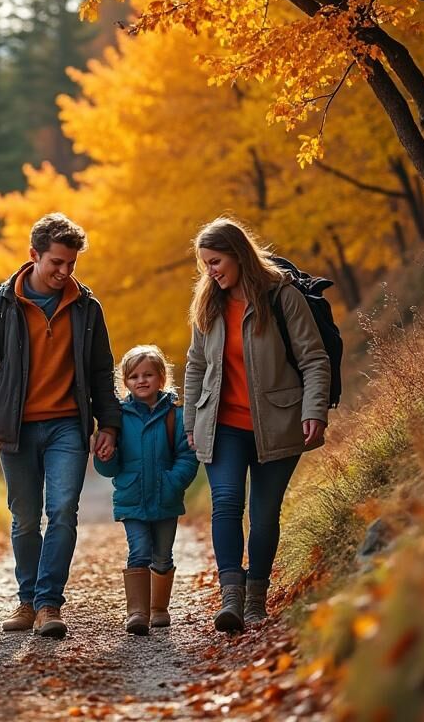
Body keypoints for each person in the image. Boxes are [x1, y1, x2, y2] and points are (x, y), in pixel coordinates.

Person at [0, 212, 122, 639]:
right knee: (25, 518)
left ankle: (50, 603)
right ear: (34, 255)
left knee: (64, 510)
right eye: (56, 263)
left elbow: (102, 371)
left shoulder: (87, 308)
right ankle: (27, 600)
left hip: (68, 425)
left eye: (71, 264)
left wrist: (110, 425)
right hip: (17, 427)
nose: (64, 272)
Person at [183, 217, 331, 632]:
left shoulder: (282, 297)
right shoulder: (208, 304)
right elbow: (196, 366)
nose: (210, 271)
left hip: (279, 422)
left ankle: (255, 601)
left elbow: (313, 358)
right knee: (227, 502)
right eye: (205, 264)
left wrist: (313, 410)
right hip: (222, 423)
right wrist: (190, 420)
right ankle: (230, 597)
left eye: (215, 261)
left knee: (264, 515)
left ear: (238, 253)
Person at [95, 345, 199, 635]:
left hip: (166, 497)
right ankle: (137, 612)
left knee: (163, 556)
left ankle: (158, 608)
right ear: (125, 382)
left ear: (161, 378)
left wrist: (173, 482)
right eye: (134, 377)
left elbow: (187, 456)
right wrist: (106, 456)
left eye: (148, 375)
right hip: (132, 498)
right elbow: (110, 468)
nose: (141, 381)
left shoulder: (175, 416)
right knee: (139, 551)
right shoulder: (119, 417)